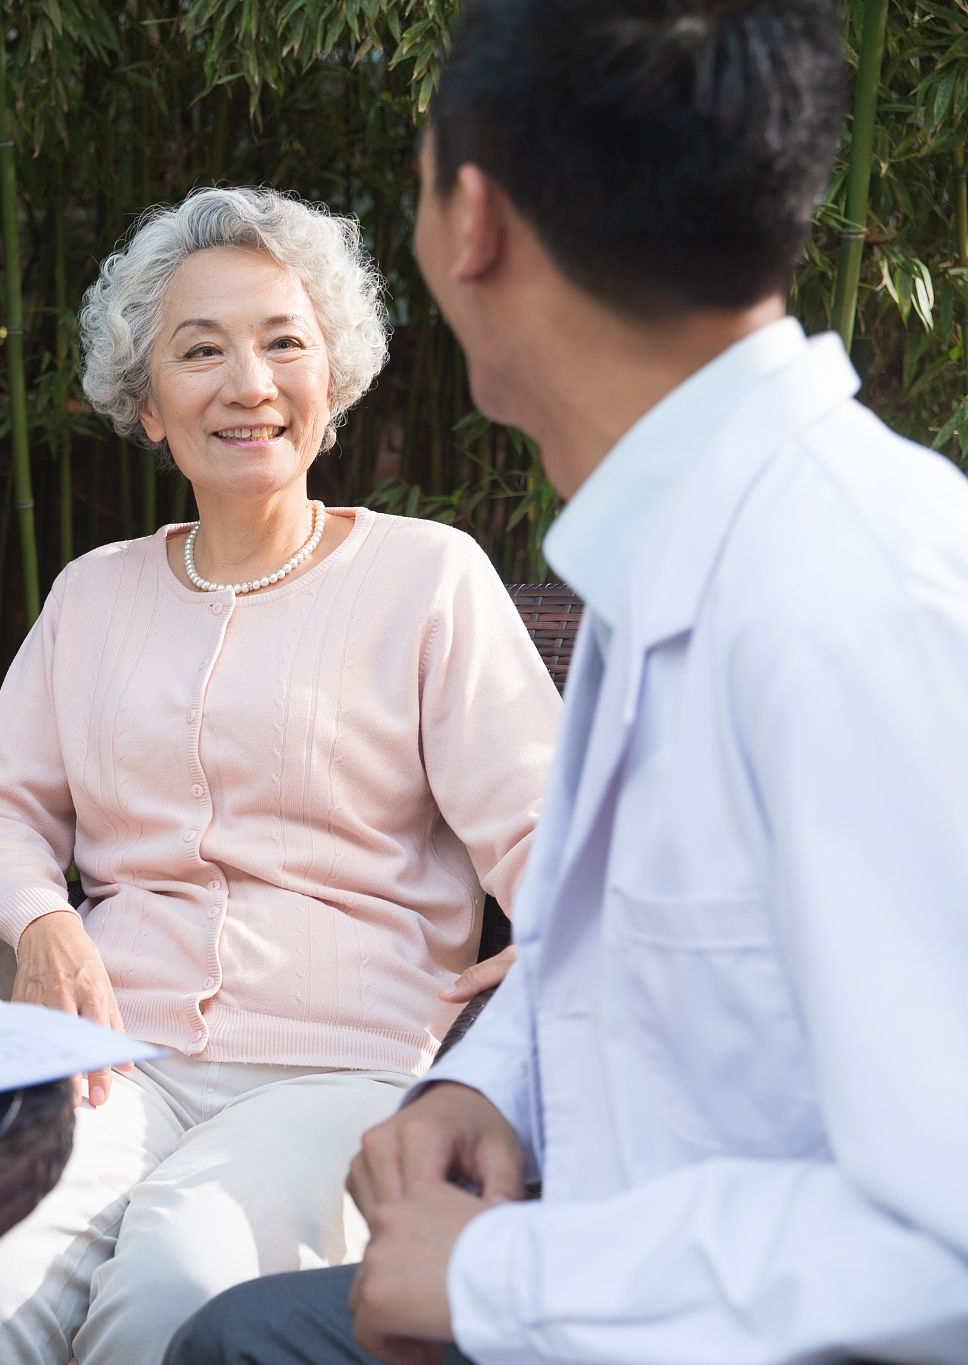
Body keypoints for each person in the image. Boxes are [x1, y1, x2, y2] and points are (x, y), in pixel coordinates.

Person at [167, 3, 968, 1364]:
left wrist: (503, 1278)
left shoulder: (859, 598)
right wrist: (482, 1084)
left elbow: (945, 1246)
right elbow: (634, 946)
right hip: (608, 1271)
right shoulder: (673, 549)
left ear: (470, 223)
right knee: (232, 1339)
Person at [0, 187, 562, 1365]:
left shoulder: (425, 578)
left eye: (283, 344)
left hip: (340, 1069)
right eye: (200, 351)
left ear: (329, 378)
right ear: (145, 404)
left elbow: (549, 829)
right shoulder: (94, 593)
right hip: (108, 1059)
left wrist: (553, 946)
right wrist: (42, 922)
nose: (248, 383)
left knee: (174, 1293)